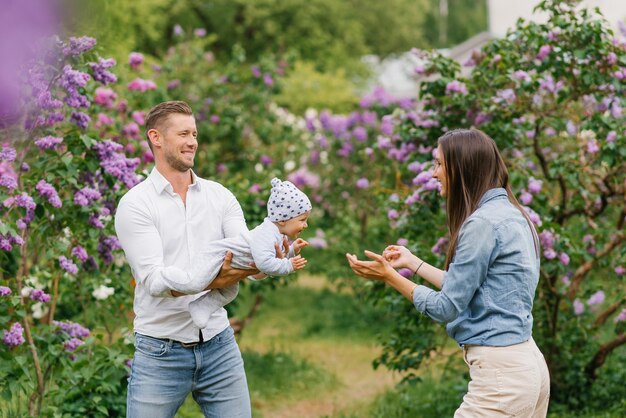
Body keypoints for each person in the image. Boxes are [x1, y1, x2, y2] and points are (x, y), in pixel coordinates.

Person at [346, 128, 550, 417]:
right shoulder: (513, 215)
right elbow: (470, 288)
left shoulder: (482, 224)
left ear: (462, 167)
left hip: (502, 377)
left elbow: (447, 307)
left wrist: (389, 277)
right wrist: (412, 262)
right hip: (528, 362)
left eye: (439, 164)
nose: (433, 173)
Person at [115, 100, 265, 417]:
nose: (193, 142)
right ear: (156, 138)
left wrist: (269, 257)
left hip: (218, 343)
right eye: (184, 133)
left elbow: (248, 258)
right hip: (160, 350)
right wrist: (219, 277)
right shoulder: (136, 205)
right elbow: (155, 281)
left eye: (194, 133)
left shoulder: (220, 196)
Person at [152, 177, 312, 329]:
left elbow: (275, 256)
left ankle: (200, 307)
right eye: (302, 219)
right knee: (195, 283)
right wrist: (288, 265)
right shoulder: (266, 234)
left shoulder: (278, 233)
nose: (305, 225)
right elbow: (265, 263)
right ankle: (166, 277)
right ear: (283, 219)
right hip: (217, 255)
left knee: (230, 291)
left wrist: (291, 251)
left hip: (228, 260)